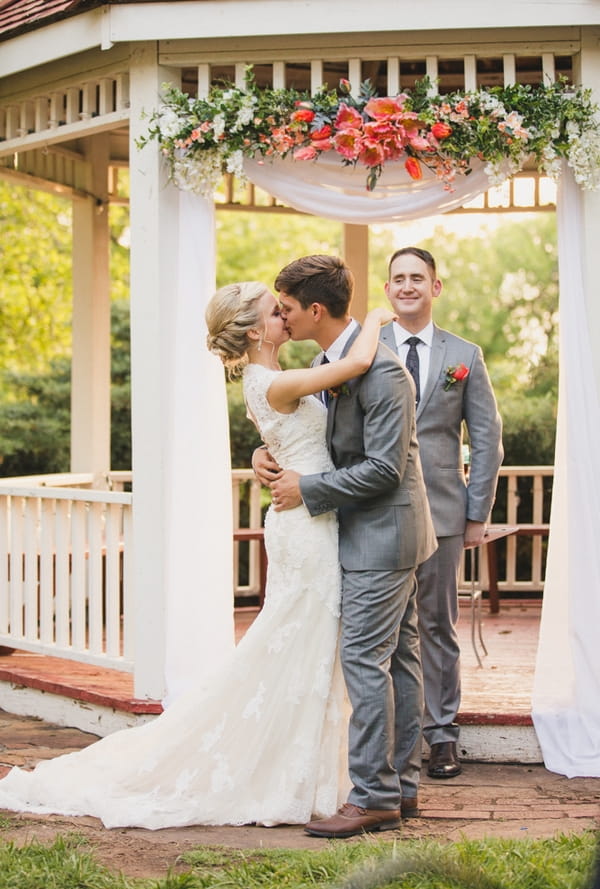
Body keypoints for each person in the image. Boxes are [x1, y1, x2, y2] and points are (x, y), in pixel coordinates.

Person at [0, 280, 394, 830]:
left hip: (310, 520)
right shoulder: (273, 382)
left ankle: (300, 770)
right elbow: (355, 366)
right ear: (257, 330)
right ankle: (279, 772)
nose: (284, 315)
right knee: (297, 648)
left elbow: (296, 433)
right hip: (306, 530)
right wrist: (376, 317)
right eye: (274, 311)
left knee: (302, 651)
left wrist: (265, 452)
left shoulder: (272, 380)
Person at [254, 254, 437, 838]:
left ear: (313, 310)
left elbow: (383, 470)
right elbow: (329, 444)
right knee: (400, 662)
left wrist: (306, 489)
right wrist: (269, 457)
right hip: (371, 529)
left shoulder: (381, 373)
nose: (280, 316)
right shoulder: (325, 361)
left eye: (285, 308)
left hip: (383, 533)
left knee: (364, 660)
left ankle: (374, 797)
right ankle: (400, 788)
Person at [380, 246, 503, 782]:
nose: (407, 286)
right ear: (387, 290)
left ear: (436, 287)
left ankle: (442, 736)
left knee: (437, 624)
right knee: (380, 628)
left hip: (444, 514)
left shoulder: (465, 355)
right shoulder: (366, 347)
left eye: (417, 278)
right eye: (398, 278)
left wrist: (476, 513)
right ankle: (386, 737)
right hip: (377, 511)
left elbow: (488, 438)